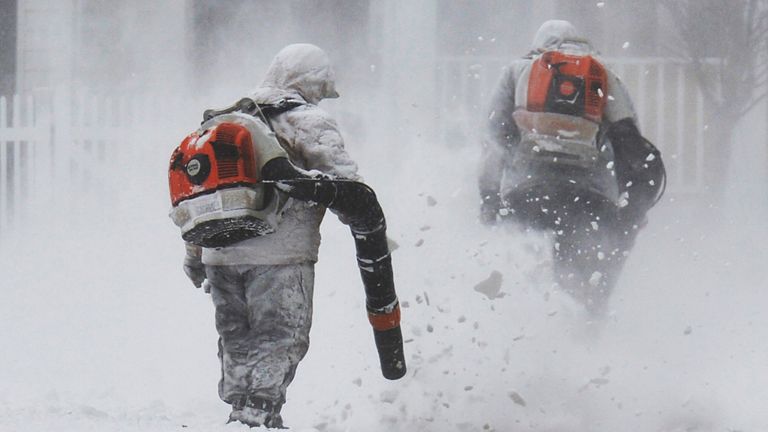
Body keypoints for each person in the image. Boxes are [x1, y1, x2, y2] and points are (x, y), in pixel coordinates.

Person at [182, 43, 360, 428]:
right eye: (321, 87)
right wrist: (365, 224)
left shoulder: (226, 120)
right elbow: (347, 186)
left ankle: (239, 413)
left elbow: (201, 193)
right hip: (279, 256)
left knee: (236, 337)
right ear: (309, 82)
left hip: (220, 253)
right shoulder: (308, 122)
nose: (321, 96)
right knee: (281, 334)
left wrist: (194, 253)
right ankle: (259, 415)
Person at [478, 20, 665, 315]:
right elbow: (630, 146)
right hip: (591, 202)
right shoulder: (602, 75)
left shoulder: (517, 72)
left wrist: (489, 198)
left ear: (539, 45)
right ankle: (588, 341)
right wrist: (632, 209)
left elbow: (494, 140)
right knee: (585, 289)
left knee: (523, 293)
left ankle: (525, 345)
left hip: (527, 196)